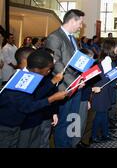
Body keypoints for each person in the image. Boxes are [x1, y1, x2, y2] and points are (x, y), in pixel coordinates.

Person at [0, 49, 67, 148]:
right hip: (6, 126)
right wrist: (51, 99)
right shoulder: (21, 79)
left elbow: (35, 96)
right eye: (48, 69)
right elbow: (27, 107)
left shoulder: (30, 76)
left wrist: (52, 82)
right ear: (38, 68)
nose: (49, 71)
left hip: (15, 124)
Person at [45, 9, 85, 148]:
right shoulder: (55, 37)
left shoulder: (72, 38)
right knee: (63, 121)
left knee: (72, 118)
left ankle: (69, 144)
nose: (81, 26)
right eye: (80, 23)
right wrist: (74, 82)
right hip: (64, 87)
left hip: (75, 84)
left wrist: (83, 76)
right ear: (72, 20)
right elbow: (57, 65)